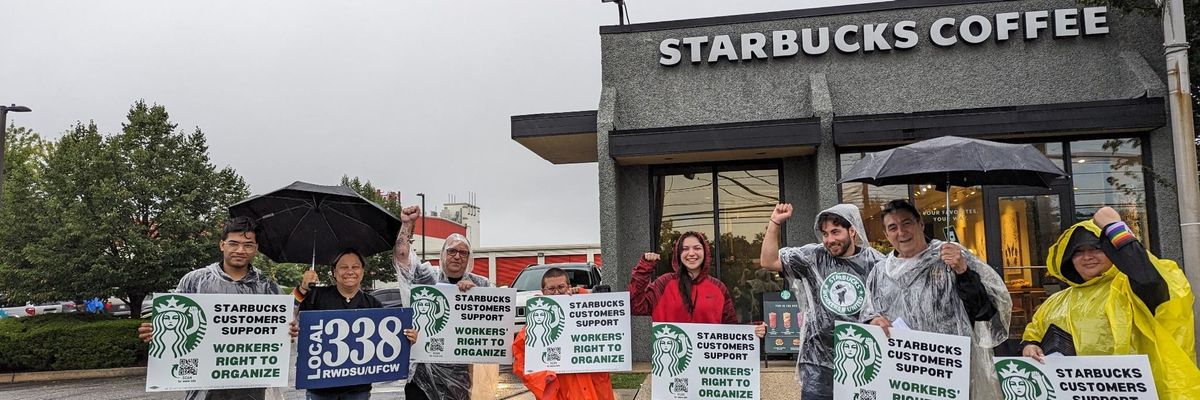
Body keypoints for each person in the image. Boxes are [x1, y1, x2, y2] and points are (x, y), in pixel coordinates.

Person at [1021, 206, 1200, 399]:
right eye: (1078, 252)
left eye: (1096, 249)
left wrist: (1115, 228)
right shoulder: (1056, 301)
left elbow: (1149, 280)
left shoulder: (1131, 288)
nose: (1087, 257)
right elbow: (1035, 333)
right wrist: (1029, 347)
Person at [137, 216, 297, 400]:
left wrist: (288, 334)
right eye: (233, 243)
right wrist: (156, 333)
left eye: (248, 245)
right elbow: (175, 325)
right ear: (222, 245)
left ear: (256, 249)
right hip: (204, 387)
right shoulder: (194, 281)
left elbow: (280, 337)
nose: (240, 250)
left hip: (252, 386)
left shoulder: (268, 288)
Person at [863, 199, 1011, 399]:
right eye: (893, 227)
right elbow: (868, 314)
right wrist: (873, 320)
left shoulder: (952, 257)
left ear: (920, 224)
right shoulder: (880, 273)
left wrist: (963, 272)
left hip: (950, 372)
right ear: (886, 234)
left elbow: (984, 310)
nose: (901, 232)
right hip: (902, 374)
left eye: (907, 223)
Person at [758, 203, 885, 400]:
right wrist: (775, 222)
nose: (830, 239)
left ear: (852, 231)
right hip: (818, 364)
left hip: (862, 361)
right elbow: (769, 261)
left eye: (836, 232)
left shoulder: (875, 263)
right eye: (825, 234)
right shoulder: (814, 257)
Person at [392, 205, 490, 400]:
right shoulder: (426, 277)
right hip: (421, 376)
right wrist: (406, 225)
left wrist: (475, 297)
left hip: (461, 378)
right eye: (452, 251)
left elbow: (493, 327)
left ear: (469, 258)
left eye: (463, 253)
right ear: (444, 253)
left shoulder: (481, 285)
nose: (457, 256)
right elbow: (402, 259)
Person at [293, 249, 419, 400]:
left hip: (358, 389)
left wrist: (406, 339)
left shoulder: (373, 304)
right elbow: (289, 313)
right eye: (344, 267)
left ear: (363, 272)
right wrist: (302, 288)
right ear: (334, 272)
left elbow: (388, 342)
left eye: (355, 267)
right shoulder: (316, 296)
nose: (350, 271)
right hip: (319, 389)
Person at [628, 231, 766, 336]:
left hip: (708, 365)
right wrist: (643, 269)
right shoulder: (664, 283)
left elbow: (730, 328)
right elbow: (636, 306)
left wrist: (753, 330)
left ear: (705, 252)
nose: (691, 253)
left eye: (697, 248)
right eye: (685, 249)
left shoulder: (718, 287)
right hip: (673, 366)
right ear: (678, 254)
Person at [512, 267, 614, 400]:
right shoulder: (536, 321)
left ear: (569, 287)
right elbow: (520, 358)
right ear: (543, 291)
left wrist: (582, 295)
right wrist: (544, 379)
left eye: (561, 287)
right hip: (559, 392)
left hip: (594, 389)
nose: (557, 293)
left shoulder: (584, 311)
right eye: (551, 289)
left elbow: (603, 317)